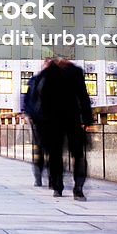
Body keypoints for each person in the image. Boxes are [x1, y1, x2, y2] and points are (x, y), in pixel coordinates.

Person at [38, 56, 93, 200]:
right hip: (70, 117)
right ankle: (74, 187)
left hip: (56, 119)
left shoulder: (50, 72)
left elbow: (43, 97)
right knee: (76, 153)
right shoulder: (74, 71)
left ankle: (61, 186)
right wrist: (87, 118)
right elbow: (83, 95)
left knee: (59, 153)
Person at [22, 58, 52, 187]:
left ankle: (52, 178)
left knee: (51, 150)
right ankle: (39, 177)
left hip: (52, 120)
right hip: (38, 120)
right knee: (39, 149)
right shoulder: (35, 81)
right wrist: (28, 114)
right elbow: (28, 99)